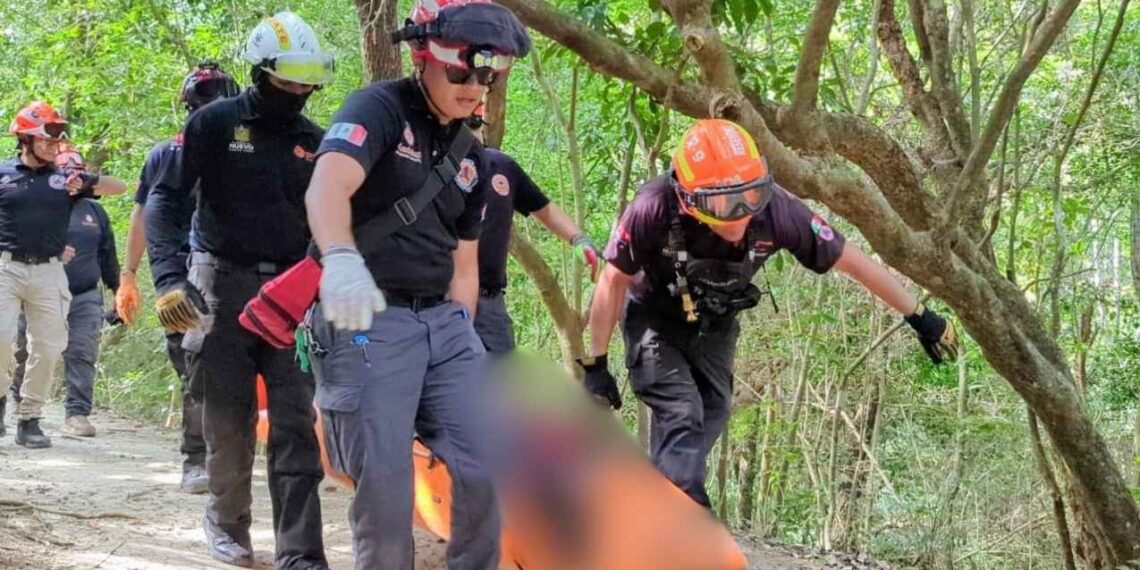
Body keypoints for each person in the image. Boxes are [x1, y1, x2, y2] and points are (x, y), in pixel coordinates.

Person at [580, 119, 959, 508]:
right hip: (653, 318)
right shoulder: (653, 206)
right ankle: (687, 518)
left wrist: (918, 315)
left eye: (751, 196)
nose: (741, 214)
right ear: (689, 199)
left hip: (716, 321)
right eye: (724, 204)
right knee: (681, 412)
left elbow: (854, 262)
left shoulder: (779, 210)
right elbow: (612, 281)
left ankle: (647, 504)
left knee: (712, 411)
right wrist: (596, 363)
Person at [303, 0, 529, 566]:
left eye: (487, 76)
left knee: (488, 459)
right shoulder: (377, 109)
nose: (474, 88)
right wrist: (340, 258)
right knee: (383, 483)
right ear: (422, 55)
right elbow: (326, 187)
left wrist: (465, 331)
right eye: (460, 72)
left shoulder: (472, 159)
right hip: (367, 320)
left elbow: (465, 266)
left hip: (445, 326)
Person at [167, 13, 331, 568]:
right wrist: (170, 278)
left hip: (292, 296)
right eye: (290, 81)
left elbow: (333, 218)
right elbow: (168, 200)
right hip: (220, 285)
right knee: (227, 418)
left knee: (295, 424)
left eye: (310, 83)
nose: (301, 92)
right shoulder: (214, 124)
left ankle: (301, 549)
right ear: (261, 71)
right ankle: (228, 524)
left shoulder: (317, 140)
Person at [116, 60, 240, 494]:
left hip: (234, 266)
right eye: (203, 104)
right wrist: (128, 274)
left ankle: (229, 451)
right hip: (179, 270)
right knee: (192, 364)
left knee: (231, 367)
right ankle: (196, 458)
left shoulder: (247, 149)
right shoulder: (166, 154)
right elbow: (144, 214)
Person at [0, 102, 126, 449]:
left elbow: (120, 187)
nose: (56, 143)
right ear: (26, 138)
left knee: (48, 346)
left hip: (49, 272)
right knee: (1, 337)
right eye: (48, 137)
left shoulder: (65, 179)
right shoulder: (4, 174)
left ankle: (30, 419)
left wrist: (85, 181)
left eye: (59, 137)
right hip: (6, 267)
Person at [466, 104, 599, 354]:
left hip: (490, 301)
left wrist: (578, 239)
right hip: (441, 302)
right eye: (465, 123)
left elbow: (545, 209)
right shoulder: (431, 170)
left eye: (476, 123)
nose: (473, 132)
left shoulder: (502, 166)